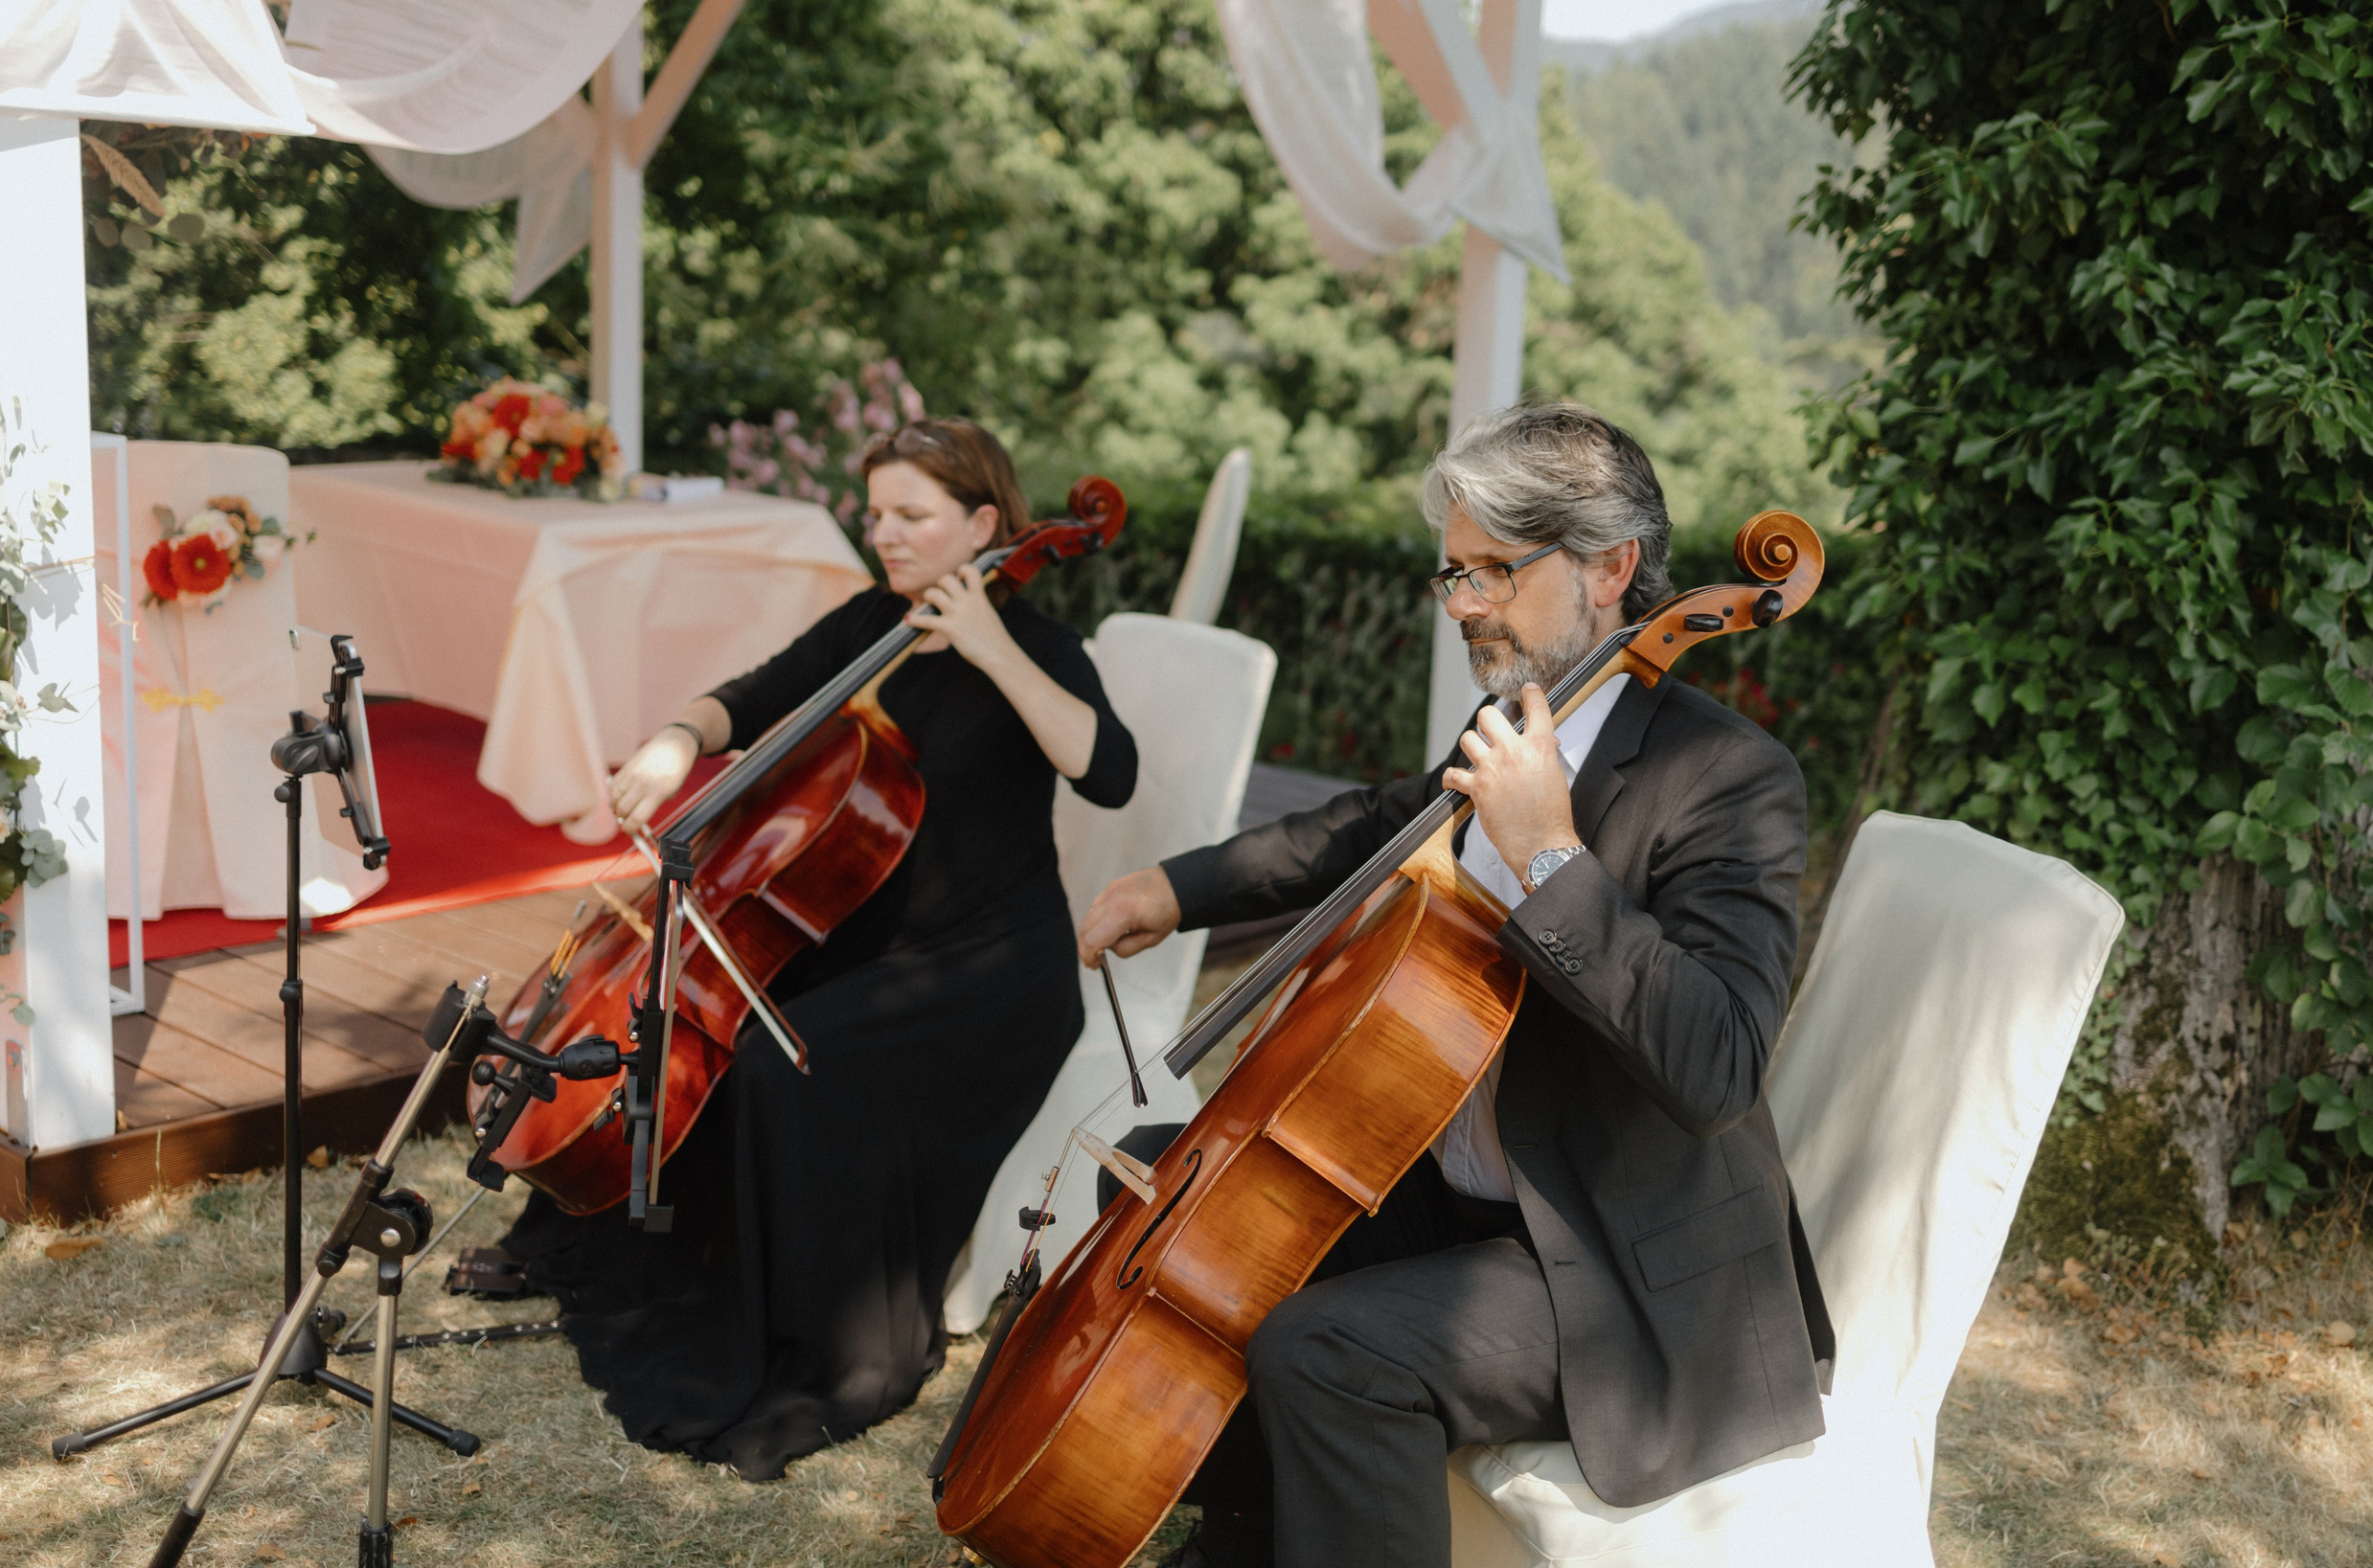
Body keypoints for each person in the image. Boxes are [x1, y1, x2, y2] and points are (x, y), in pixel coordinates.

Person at [1078, 401, 1834, 1568]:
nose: (1466, 603)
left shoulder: (1727, 776)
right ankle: (1253, 1533)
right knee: (1170, 1203)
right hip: (1457, 1193)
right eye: (1455, 572)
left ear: (1610, 566)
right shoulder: (1515, 722)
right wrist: (1173, 890)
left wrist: (1548, 855)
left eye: (1495, 571)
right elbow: (1373, 824)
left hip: (1615, 1257)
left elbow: (1718, 1063)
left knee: (1329, 1347)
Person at [500, 418, 1137, 1481]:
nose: (883, 533)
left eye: (911, 515)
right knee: (689, 1022)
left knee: (782, 1067)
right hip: (867, 938)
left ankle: (821, 1342)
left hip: (988, 971)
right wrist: (677, 739)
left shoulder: (1041, 644)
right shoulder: (871, 620)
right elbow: (751, 695)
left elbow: (1108, 768)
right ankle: (643, 1241)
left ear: (984, 522)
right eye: (875, 511)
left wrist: (987, 645)